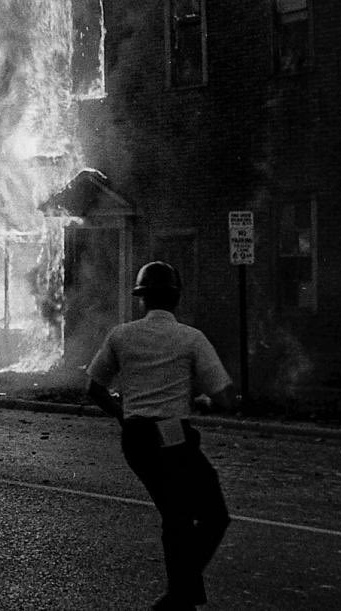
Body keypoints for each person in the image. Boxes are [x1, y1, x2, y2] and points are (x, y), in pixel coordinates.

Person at [86, 261, 235, 610]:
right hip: (173, 436)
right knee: (212, 515)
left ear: (142, 300)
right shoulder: (191, 338)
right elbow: (225, 398)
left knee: (176, 514)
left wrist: (123, 415)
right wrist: (198, 398)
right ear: (177, 298)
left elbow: (94, 388)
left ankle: (180, 596)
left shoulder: (120, 336)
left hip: (136, 438)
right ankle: (178, 595)